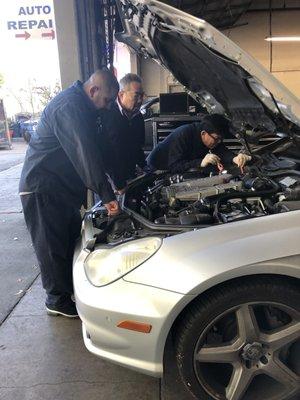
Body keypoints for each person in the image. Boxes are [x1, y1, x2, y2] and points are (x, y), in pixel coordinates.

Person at [19, 69, 120, 318]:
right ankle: (56, 300)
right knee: (52, 246)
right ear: (93, 90)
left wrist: (121, 180)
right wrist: (107, 196)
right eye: (107, 100)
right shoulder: (68, 106)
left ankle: (67, 292)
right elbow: (83, 153)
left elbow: (100, 150)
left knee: (68, 242)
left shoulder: (86, 109)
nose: (107, 107)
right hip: (42, 187)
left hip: (60, 188)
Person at [147, 114, 251, 173]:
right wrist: (200, 162)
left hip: (177, 168)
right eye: (216, 139)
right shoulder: (184, 134)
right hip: (156, 170)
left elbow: (221, 150)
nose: (218, 142)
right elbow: (174, 166)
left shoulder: (211, 137)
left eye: (221, 139)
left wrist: (235, 158)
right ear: (203, 133)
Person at [101, 73, 146, 192]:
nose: (140, 100)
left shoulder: (138, 118)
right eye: (136, 96)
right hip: (110, 182)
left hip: (129, 178)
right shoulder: (108, 116)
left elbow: (138, 147)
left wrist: (145, 168)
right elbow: (108, 154)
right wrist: (117, 183)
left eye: (142, 95)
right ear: (121, 95)